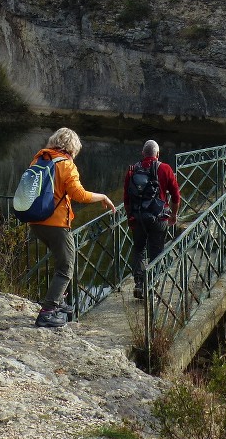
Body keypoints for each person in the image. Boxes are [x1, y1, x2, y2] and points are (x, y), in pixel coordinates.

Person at [28, 128, 113, 328]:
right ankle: (47, 312)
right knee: (66, 266)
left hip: (36, 221)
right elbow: (79, 195)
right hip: (56, 224)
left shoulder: (39, 159)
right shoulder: (66, 164)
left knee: (60, 261)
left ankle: (58, 302)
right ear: (72, 147)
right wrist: (103, 197)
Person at [123, 140, 181, 299]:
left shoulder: (132, 170)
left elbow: (126, 199)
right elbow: (176, 197)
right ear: (158, 154)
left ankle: (139, 283)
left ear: (143, 154)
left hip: (138, 217)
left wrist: (130, 217)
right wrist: (174, 216)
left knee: (138, 250)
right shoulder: (165, 168)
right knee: (156, 251)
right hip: (159, 217)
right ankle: (152, 285)